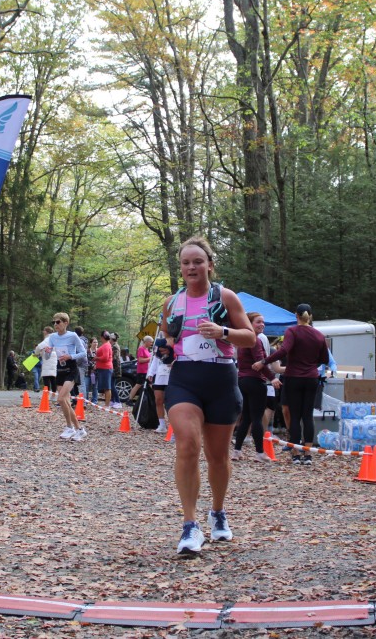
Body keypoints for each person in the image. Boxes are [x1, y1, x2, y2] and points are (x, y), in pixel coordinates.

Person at [161, 236, 254, 556]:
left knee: (218, 456)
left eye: (198, 261)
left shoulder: (225, 297)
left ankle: (217, 512)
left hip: (221, 380)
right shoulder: (171, 302)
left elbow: (249, 337)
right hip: (184, 380)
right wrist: (165, 348)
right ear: (180, 268)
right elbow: (167, 336)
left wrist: (222, 332)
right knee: (187, 444)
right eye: (185, 262)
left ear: (210, 265)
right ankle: (190, 525)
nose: (191, 267)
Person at [254, 303, 331, 465]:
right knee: (307, 415)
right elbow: (324, 359)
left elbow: (283, 351)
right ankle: (308, 454)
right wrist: (310, 364)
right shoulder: (319, 335)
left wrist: (264, 361)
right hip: (312, 378)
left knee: (295, 416)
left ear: (296, 315)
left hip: (293, 377)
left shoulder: (292, 331)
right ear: (310, 316)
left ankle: (296, 454)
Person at [233, 313, 280, 462]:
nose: (262, 325)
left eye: (263, 322)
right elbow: (260, 362)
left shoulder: (242, 341)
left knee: (246, 417)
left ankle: (237, 451)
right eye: (258, 322)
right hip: (255, 381)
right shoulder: (255, 340)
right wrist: (272, 378)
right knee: (257, 418)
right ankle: (259, 452)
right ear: (250, 323)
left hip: (242, 380)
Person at [46, 313, 88, 441]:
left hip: (71, 369)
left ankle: (69, 427)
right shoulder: (53, 337)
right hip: (60, 369)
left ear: (66, 323)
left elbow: (83, 353)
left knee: (60, 398)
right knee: (66, 402)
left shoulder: (73, 335)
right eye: (54, 322)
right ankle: (79, 429)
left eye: (58, 322)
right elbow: (48, 355)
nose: (55, 324)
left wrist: (70, 356)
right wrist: (47, 352)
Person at [146, 334, 173, 433]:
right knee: (158, 400)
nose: (162, 352)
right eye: (160, 351)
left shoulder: (175, 355)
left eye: (164, 350)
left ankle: (173, 425)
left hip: (171, 378)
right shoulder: (158, 355)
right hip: (159, 378)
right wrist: (150, 373)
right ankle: (162, 425)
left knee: (170, 402)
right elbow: (154, 363)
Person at [127, 335, 153, 404]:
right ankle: (129, 399)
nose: (151, 344)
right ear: (146, 342)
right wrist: (150, 358)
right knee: (138, 385)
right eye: (150, 342)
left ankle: (151, 400)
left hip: (147, 370)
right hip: (142, 370)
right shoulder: (141, 349)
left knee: (150, 385)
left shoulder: (147, 349)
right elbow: (140, 360)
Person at [35, 326, 58, 392]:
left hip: (47, 359)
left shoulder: (47, 339)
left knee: (46, 376)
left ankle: (46, 393)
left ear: (46, 332)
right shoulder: (55, 339)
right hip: (54, 359)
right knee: (53, 377)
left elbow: (39, 347)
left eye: (44, 331)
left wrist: (37, 353)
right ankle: (54, 393)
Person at [95, 331, 114, 406]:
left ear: (102, 337)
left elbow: (105, 358)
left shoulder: (106, 345)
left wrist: (96, 358)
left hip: (106, 368)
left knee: (107, 387)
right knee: (106, 387)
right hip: (103, 368)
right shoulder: (106, 344)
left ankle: (107, 405)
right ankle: (107, 404)